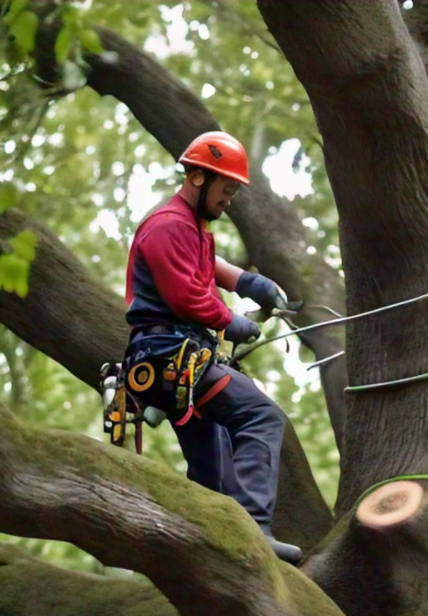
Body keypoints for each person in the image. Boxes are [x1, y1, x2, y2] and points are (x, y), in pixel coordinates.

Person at [123, 130, 301, 564]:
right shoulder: (167, 225)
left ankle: (206, 551)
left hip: (178, 364)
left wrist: (247, 282)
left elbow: (207, 266)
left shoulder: (191, 226)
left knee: (214, 471)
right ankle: (254, 530)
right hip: (170, 356)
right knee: (261, 417)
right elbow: (186, 296)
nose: (230, 199)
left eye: (235, 191)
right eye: (227, 188)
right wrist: (232, 320)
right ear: (199, 178)